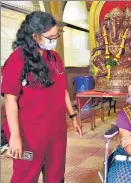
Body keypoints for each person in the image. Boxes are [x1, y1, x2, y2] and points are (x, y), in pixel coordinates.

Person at [1, 11, 82, 183]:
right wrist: (15, 136)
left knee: (55, 174)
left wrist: (73, 115)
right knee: (26, 175)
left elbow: (62, 91)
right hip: (29, 133)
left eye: (56, 35)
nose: (54, 40)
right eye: (50, 36)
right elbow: (10, 99)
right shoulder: (17, 59)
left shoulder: (55, 58)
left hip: (56, 131)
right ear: (35, 35)